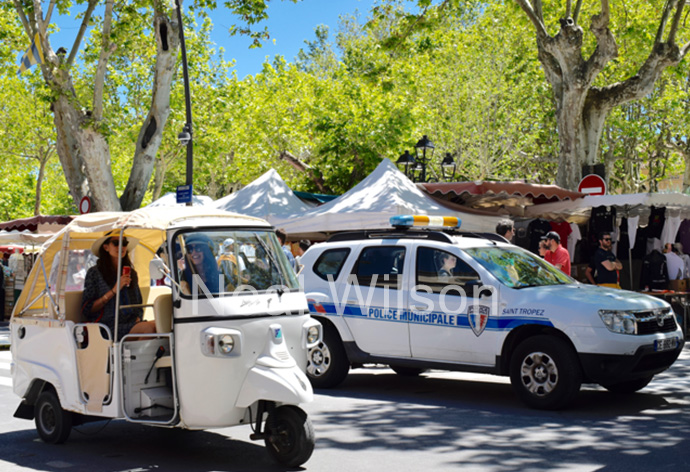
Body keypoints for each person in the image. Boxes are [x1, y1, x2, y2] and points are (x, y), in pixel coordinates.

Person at [82, 231, 156, 340]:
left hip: (130, 323)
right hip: (107, 326)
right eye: (116, 243)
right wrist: (113, 291)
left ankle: (134, 355)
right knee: (149, 328)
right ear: (106, 247)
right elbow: (87, 309)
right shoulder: (95, 273)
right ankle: (133, 356)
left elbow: (138, 304)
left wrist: (138, 318)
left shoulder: (131, 273)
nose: (121, 247)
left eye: (124, 243)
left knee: (162, 324)